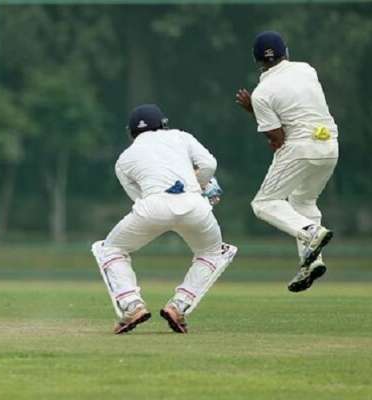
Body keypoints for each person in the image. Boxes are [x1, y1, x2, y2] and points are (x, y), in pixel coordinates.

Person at [91, 104, 237, 334]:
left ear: (131, 133)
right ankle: (179, 306)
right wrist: (200, 188)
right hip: (195, 205)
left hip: (152, 206)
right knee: (212, 253)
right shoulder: (181, 136)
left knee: (110, 250)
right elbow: (209, 165)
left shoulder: (124, 159)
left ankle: (131, 305)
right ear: (164, 124)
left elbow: (137, 197)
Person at [235, 31, 338, 292]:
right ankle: (312, 262)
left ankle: (310, 232)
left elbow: (278, 138)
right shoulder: (306, 69)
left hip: (300, 148)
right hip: (329, 146)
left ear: (257, 59)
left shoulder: (261, 93)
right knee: (303, 201)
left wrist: (253, 109)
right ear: (286, 52)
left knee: (264, 203)